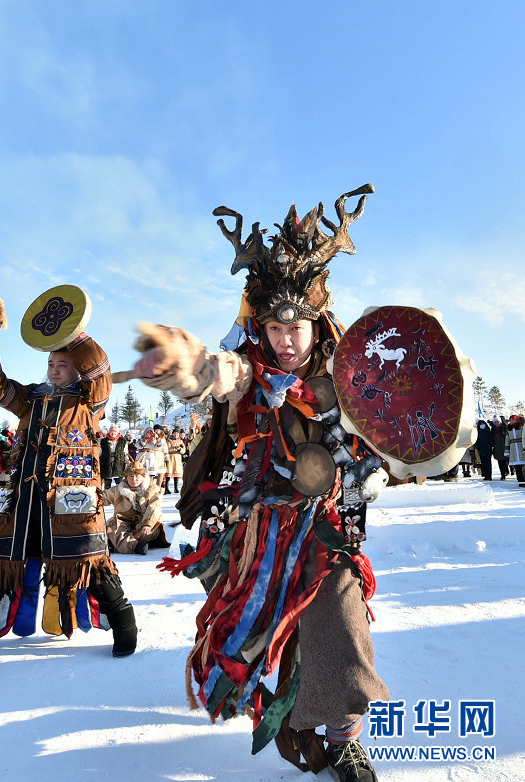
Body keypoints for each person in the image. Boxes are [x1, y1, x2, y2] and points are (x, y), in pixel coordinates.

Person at [128, 197, 391, 780]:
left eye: (294, 325)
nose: (284, 339)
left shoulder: (351, 371)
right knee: (246, 632)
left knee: (342, 624)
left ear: (315, 320)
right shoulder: (250, 367)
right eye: (273, 326)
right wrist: (190, 365)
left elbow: (390, 435)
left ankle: (344, 738)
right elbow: (222, 374)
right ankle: (275, 702)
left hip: (325, 526)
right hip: (257, 531)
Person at [0, 328, 137, 657]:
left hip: (72, 495)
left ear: (78, 369)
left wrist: (71, 333)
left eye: (63, 363)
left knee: (87, 559)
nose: (54, 368)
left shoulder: (90, 400)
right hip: (23, 493)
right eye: (50, 363)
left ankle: (124, 623)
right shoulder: (30, 397)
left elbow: (99, 368)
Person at [102, 460, 169, 554]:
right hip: (123, 522)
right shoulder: (118, 490)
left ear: (143, 477)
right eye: (131, 476)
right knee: (113, 528)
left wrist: (147, 524)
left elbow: (154, 508)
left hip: (144, 522)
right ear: (126, 478)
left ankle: (118, 544)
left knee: (148, 531)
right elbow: (103, 497)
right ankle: (136, 546)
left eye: (137, 476)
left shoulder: (152, 490)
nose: (134, 479)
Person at [100, 424, 131, 489]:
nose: (113, 433)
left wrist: (127, 460)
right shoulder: (103, 441)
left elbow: (125, 452)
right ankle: (107, 497)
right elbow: (99, 452)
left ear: (117, 432)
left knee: (119, 484)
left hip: (119, 464)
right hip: (106, 464)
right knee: (107, 485)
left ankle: (119, 497)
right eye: (111, 431)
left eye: (115, 432)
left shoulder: (122, 441)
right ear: (109, 432)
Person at [505, 414, 525, 486]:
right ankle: (520, 482)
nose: (511, 421)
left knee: (523, 466)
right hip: (513, 448)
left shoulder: (521, 428)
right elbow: (507, 440)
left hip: (520, 446)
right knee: (517, 467)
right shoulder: (508, 429)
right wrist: (507, 451)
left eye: (513, 420)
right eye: (510, 420)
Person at [164, 428, 186, 493]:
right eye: (175, 433)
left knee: (176, 473)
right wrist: (174, 449)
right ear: (172, 433)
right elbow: (167, 449)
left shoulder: (180, 441)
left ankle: (176, 488)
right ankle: (166, 488)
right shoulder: (169, 441)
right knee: (168, 473)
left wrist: (180, 450)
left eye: (177, 433)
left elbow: (184, 450)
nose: (176, 434)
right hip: (170, 458)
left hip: (177, 459)